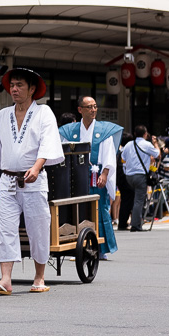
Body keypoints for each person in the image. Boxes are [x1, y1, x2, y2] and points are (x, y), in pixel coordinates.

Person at [0, 68, 64, 295]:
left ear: (32, 89)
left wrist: (37, 167)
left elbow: (48, 143)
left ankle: (39, 277)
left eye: (20, 85)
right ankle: (6, 279)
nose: (14, 89)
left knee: (38, 229)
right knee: (6, 229)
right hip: (7, 180)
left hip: (34, 180)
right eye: (12, 85)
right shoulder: (2, 115)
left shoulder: (44, 113)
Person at [58, 97, 121, 259]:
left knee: (98, 210)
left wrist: (105, 174)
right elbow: (62, 153)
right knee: (76, 209)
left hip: (95, 175)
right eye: (89, 107)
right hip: (74, 176)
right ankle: (75, 247)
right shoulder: (69, 130)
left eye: (95, 107)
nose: (93, 110)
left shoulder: (104, 130)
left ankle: (100, 248)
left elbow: (109, 155)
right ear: (80, 110)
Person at [121, 126, 160, 232]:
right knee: (139, 200)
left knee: (133, 199)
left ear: (134, 133)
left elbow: (123, 158)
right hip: (140, 175)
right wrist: (156, 143)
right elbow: (157, 154)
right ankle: (136, 225)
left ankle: (129, 221)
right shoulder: (147, 144)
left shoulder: (129, 144)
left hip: (128, 176)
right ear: (145, 134)